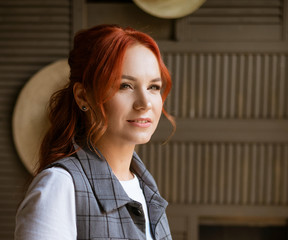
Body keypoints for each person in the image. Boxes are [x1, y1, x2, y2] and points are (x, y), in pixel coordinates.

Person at [15, 24, 175, 240]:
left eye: (153, 87)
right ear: (83, 96)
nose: (145, 103)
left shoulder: (146, 189)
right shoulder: (60, 187)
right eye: (125, 85)